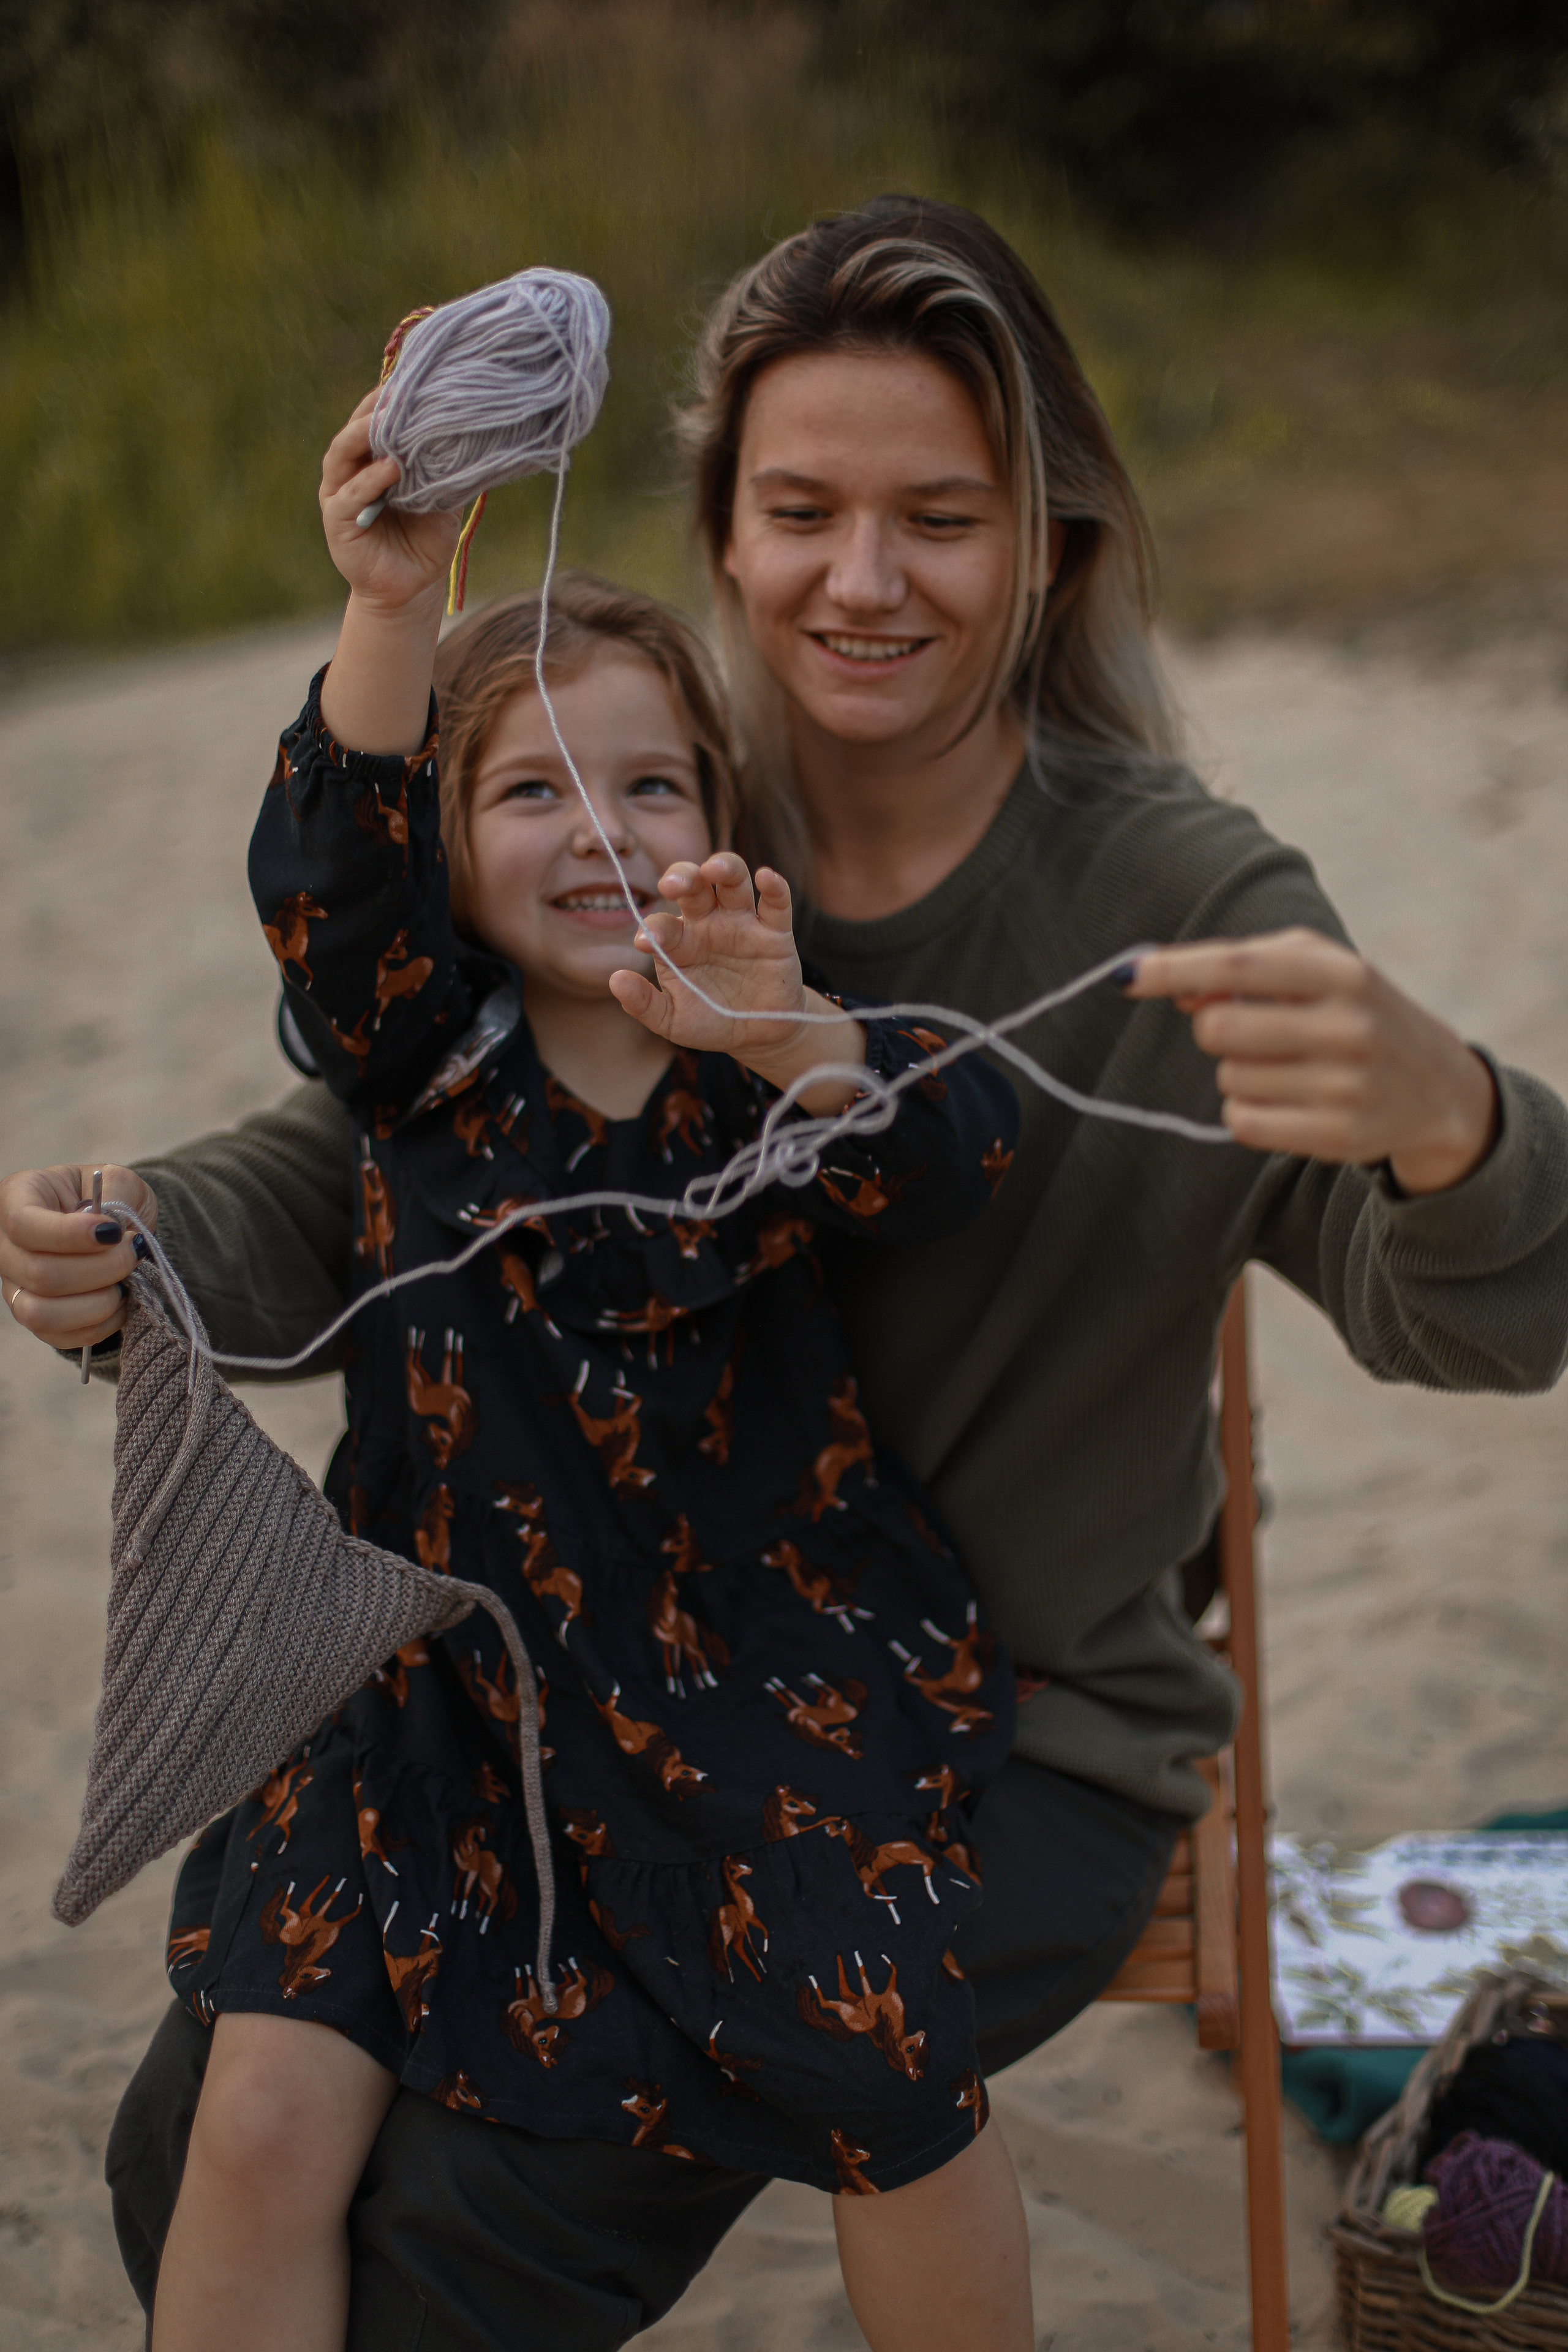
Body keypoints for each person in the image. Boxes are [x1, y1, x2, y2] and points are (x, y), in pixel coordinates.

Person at [6, 194, 1568, 2350]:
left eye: (939, 513)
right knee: (201, 2130)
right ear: (726, 535)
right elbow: (373, 1145)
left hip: (948, 1734)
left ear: (1048, 541)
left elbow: (1472, 1305)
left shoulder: (1144, 896)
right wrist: (136, 1233)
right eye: (802, 508)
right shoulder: (625, 826)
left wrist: (1450, 1112)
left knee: (460, 2217)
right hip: (532, 1686)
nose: (862, 576)